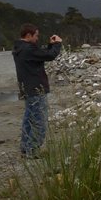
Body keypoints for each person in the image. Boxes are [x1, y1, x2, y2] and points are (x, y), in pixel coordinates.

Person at [12, 23, 62, 158]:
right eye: (36, 36)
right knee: (39, 120)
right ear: (28, 35)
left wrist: (51, 45)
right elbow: (50, 56)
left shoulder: (19, 48)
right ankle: (32, 150)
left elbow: (42, 54)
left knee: (29, 118)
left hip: (27, 89)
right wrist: (57, 44)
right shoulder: (28, 49)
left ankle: (25, 148)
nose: (37, 39)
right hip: (36, 89)